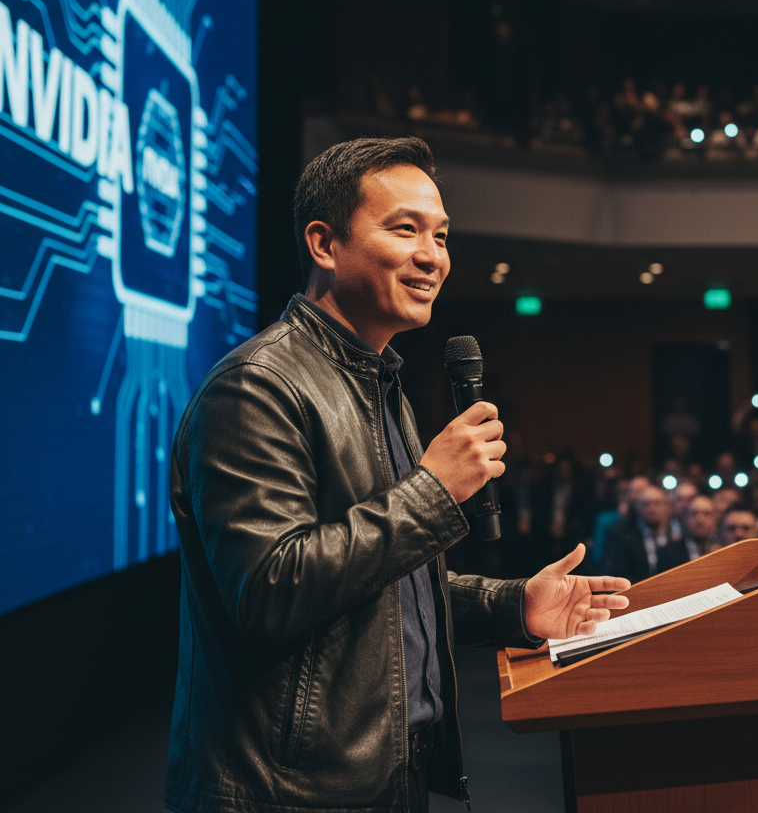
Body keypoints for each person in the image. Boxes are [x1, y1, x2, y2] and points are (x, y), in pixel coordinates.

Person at [165, 138, 631, 813]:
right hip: (288, 793)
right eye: (405, 229)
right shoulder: (256, 388)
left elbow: (386, 590)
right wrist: (433, 491)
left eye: (440, 235)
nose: (433, 256)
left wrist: (513, 606)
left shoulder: (380, 387)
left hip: (387, 775)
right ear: (324, 244)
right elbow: (271, 592)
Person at [599, 484, 688, 582]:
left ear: (667, 507)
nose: (652, 509)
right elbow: (615, 571)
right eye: (646, 504)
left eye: (657, 503)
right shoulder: (621, 535)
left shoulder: (677, 534)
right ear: (637, 507)